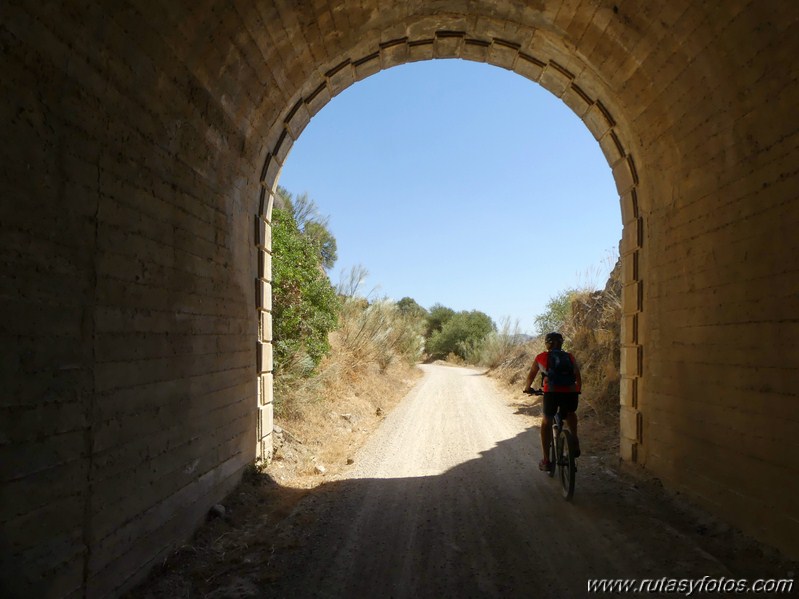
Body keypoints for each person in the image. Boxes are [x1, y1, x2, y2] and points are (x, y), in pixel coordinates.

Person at [523, 332, 582, 471]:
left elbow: (531, 374)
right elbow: (578, 375)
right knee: (570, 413)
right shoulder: (569, 357)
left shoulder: (541, 357)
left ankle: (546, 460)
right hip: (571, 392)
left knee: (547, 420)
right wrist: (577, 389)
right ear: (561, 343)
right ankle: (575, 440)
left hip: (552, 393)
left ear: (547, 343)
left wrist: (527, 389)